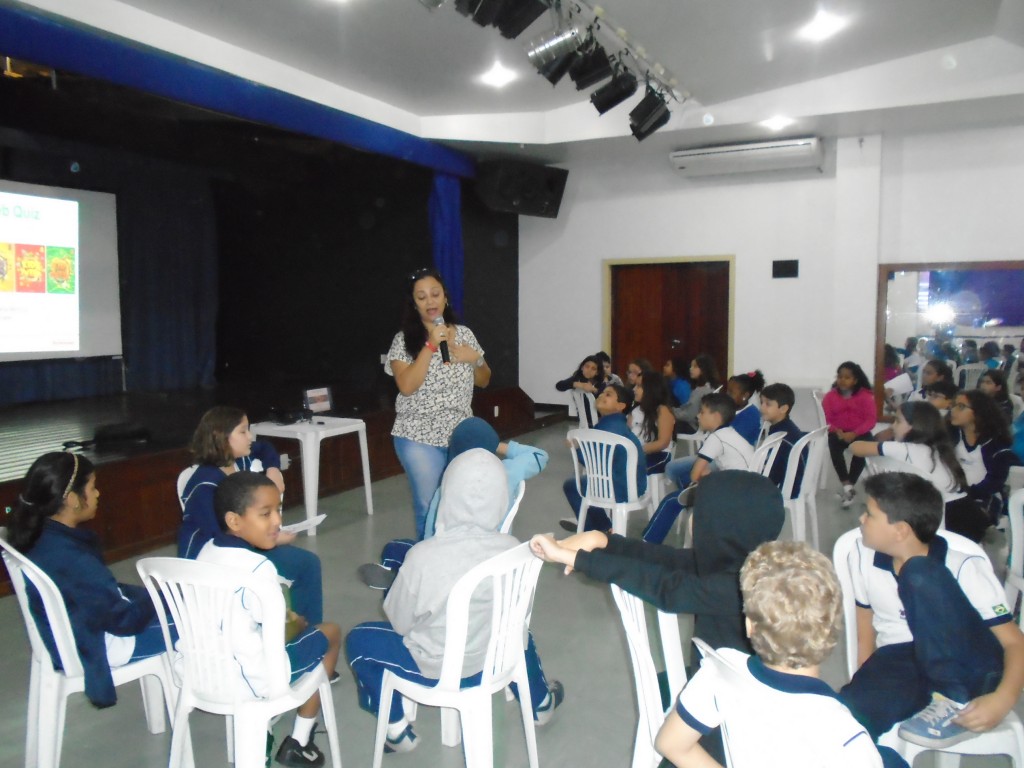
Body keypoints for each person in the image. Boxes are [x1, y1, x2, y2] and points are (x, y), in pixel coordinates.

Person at [530, 471, 785, 763]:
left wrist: (577, 559)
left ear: (725, 526)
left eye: (699, 514)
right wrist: (603, 541)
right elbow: (662, 559)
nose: (691, 520)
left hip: (736, 728)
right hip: (717, 691)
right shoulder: (735, 566)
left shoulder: (742, 590)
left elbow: (666, 588)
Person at [346, 450, 563, 753]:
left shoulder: (423, 557)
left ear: (445, 495)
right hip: (497, 660)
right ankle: (539, 702)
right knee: (518, 633)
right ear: (502, 497)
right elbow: (520, 613)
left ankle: (395, 729)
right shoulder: (514, 549)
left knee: (359, 640)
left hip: (440, 669)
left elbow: (400, 623)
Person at [654, 541, 888, 768]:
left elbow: (671, 744)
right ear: (831, 630)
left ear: (750, 626)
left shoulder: (719, 670)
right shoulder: (847, 737)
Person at [838, 473, 1024, 751]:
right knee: (844, 721)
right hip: (902, 661)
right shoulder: (862, 556)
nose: (861, 519)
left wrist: (1003, 699)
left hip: (968, 662)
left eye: (870, 514)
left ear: (900, 530)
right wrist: (866, 682)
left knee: (918, 573)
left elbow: (1014, 642)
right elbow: (864, 626)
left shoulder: (964, 566)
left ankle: (954, 698)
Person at [198, 472, 342, 768]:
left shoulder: (205, 552)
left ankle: (262, 736)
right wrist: (298, 624)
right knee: (330, 633)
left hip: (202, 672)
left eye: (278, 510)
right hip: (251, 680)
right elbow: (279, 634)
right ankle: (300, 741)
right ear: (234, 520)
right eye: (266, 514)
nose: (277, 521)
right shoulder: (259, 568)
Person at [7, 452, 167, 708]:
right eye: (92, 488)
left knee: (166, 603)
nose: (98, 494)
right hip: (96, 646)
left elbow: (103, 597)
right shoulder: (72, 557)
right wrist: (158, 600)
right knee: (195, 619)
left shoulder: (41, 537)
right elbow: (124, 621)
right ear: (72, 499)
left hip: (71, 636)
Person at [359, 416, 549, 589]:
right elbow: (540, 455)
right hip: (494, 559)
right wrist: (497, 446)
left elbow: (431, 536)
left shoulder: (446, 485)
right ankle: (403, 577)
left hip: (447, 567)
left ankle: (400, 581)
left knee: (396, 549)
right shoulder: (509, 471)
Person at [179, 406, 324, 625]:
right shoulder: (205, 487)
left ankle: (306, 629)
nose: (250, 437)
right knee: (303, 565)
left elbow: (265, 448)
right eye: (243, 431)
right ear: (222, 438)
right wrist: (273, 539)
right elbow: (221, 538)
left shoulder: (238, 461)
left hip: (246, 545)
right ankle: (297, 631)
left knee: (308, 563)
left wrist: (273, 469)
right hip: (213, 560)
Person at [386, 267, 490, 540]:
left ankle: (454, 558)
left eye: (435, 294)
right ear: (414, 304)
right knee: (429, 506)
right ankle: (428, 562)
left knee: (461, 506)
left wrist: (475, 359)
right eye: (421, 297)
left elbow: (484, 380)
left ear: (445, 297)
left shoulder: (465, 334)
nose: (430, 301)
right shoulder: (403, 340)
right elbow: (406, 386)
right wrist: (430, 345)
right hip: (418, 436)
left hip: (460, 434)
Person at [850, 401, 988, 542]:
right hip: (966, 514)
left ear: (915, 426)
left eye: (898, 421)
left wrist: (886, 435)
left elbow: (856, 447)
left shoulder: (906, 449)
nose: (893, 426)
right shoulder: (935, 449)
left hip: (949, 521)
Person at [648, 393, 754, 544]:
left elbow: (695, 475)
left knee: (671, 500)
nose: (698, 416)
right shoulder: (729, 433)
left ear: (716, 416)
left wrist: (701, 477)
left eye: (702, 412)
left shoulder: (716, 438)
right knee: (685, 484)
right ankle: (691, 515)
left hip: (733, 491)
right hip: (744, 486)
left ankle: (649, 542)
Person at [560, 383, 647, 533]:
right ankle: (601, 528)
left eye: (608, 394)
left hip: (621, 487)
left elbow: (595, 464)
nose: (601, 395)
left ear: (620, 406)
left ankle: (595, 530)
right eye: (602, 393)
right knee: (584, 484)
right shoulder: (617, 425)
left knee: (572, 485)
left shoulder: (607, 429)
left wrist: (577, 448)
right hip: (629, 484)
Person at [950, 389, 1022, 526]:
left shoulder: (996, 446)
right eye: (953, 406)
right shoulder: (950, 437)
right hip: (952, 493)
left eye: (961, 407)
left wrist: (966, 493)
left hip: (983, 498)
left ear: (978, 412)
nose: (953, 411)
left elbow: (994, 483)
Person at [823, 361, 877, 508]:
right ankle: (846, 484)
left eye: (847, 377)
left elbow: (871, 420)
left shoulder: (865, 396)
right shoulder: (830, 396)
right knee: (834, 445)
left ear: (855, 380)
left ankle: (850, 485)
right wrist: (837, 430)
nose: (842, 380)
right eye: (840, 376)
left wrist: (855, 433)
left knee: (863, 448)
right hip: (838, 432)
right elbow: (826, 419)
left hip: (860, 432)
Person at [758, 383, 806, 494]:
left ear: (783, 409)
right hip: (792, 484)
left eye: (768, 404)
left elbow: (773, 474)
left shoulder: (780, 437)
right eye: (761, 402)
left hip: (786, 489)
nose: (761, 408)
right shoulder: (786, 427)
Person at [628, 369, 676, 476]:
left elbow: (663, 443)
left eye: (639, 386)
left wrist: (637, 450)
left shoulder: (662, 410)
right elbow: (627, 435)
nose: (634, 389)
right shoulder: (635, 411)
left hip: (659, 455)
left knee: (632, 471)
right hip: (636, 453)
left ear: (651, 389)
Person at [675, 353, 719, 434]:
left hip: (694, 427)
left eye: (695, 366)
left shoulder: (702, 390)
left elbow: (688, 415)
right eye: (691, 366)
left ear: (704, 369)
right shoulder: (710, 387)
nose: (690, 369)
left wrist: (670, 411)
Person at [725, 369, 765, 445]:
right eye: (727, 391)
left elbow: (733, 439)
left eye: (731, 392)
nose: (727, 395)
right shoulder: (730, 409)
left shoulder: (751, 415)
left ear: (745, 396)